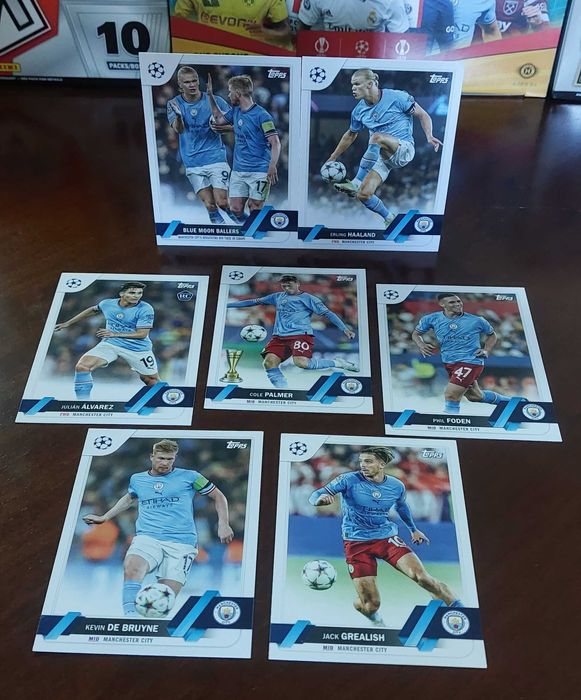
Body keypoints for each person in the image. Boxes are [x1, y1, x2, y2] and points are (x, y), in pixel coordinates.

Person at [309, 446, 462, 627]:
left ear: (382, 464)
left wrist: (413, 529)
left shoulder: (396, 485)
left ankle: (461, 612)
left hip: (386, 538)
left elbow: (401, 507)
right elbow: (316, 494)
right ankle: (373, 616)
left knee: (423, 578)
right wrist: (319, 500)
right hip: (357, 544)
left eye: (368, 461)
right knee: (371, 605)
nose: (363, 465)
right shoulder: (348, 480)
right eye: (361, 461)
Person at [83, 439, 234, 616]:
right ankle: (130, 615)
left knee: (164, 596)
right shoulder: (137, 479)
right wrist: (105, 517)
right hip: (148, 537)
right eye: (161, 458)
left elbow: (218, 496)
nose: (165, 463)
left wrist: (223, 524)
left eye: (170, 459)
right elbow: (129, 498)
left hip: (182, 543)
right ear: (152, 457)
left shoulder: (191, 477)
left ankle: (148, 623)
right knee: (132, 567)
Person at [327, 68, 442, 228]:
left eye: (357, 84)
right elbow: (350, 135)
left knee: (376, 137)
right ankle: (390, 218)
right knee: (364, 195)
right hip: (382, 157)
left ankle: (356, 182)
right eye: (352, 84)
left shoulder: (397, 97)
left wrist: (429, 136)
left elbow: (423, 114)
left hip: (404, 149)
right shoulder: (358, 111)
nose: (353, 88)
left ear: (370, 84)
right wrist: (332, 157)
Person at [227, 274, 358, 388]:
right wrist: (227, 305)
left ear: (297, 284)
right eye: (284, 285)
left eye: (289, 285)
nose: (286, 287)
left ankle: (337, 363)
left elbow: (328, 313)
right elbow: (254, 301)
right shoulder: (277, 296)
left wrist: (344, 328)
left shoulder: (309, 298)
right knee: (269, 362)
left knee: (302, 363)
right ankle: (283, 389)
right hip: (279, 337)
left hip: (300, 335)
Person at [54, 282, 160, 400]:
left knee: (151, 380)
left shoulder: (145, 309)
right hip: (111, 344)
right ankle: (82, 402)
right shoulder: (107, 304)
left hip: (137, 348)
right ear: (122, 294)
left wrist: (115, 334)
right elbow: (93, 310)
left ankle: (165, 401)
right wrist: (68, 323)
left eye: (140, 293)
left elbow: (142, 334)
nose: (136, 296)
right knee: (82, 367)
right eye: (132, 293)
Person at [411, 292, 511, 414]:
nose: (457, 304)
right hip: (450, 363)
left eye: (459, 301)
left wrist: (486, 350)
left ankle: (450, 420)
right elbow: (416, 334)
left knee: (451, 395)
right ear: (442, 304)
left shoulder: (477, 320)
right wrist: (421, 345)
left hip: (470, 361)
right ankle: (513, 403)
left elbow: (492, 335)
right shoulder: (431, 319)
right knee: (475, 396)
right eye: (452, 302)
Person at [207, 73, 282, 225]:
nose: (229, 95)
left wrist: (272, 165)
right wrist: (210, 96)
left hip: (260, 171)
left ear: (238, 93)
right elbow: (218, 119)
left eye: (230, 92)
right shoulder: (235, 111)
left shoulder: (262, 115)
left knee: (255, 206)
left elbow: (275, 142)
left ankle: (258, 234)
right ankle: (250, 229)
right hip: (238, 171)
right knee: (235, 209)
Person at [167, 66, 232, 225]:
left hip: (215, 157)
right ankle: (221, 231)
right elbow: (179, 129)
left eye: (194, 81)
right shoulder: (174, 104)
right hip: (192, 162)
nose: (192, 85)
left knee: (222, 202)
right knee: (210, 205)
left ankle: (245, 222)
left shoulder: (216, 101)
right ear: (180, 85)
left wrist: (223, 127)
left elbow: (235, 123)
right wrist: (179, 117)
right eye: (187, 82)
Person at [173, 0, 293, 49]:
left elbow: (286, 34)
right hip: (207, 54)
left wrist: (268, 34)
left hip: (248, 55)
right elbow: (177, 25)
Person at [298, 0, 409, 33]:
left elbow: (402, 37)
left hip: (373, 59)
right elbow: (303, 27)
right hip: (330, 55)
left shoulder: (392, 2)